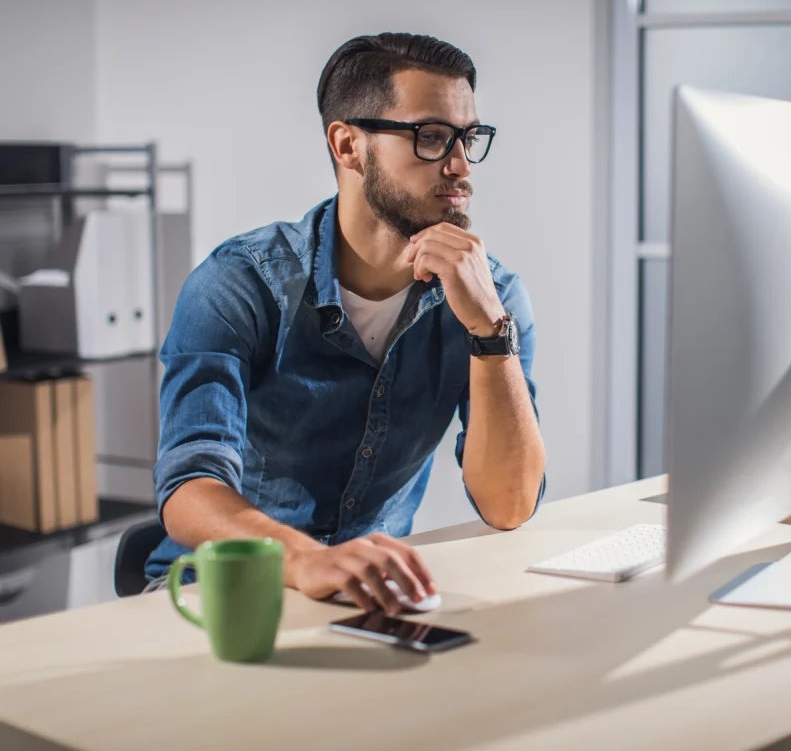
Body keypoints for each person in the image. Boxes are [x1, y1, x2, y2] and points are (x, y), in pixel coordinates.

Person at [144, 32, 546, 614]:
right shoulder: (239, 283)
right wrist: (307, 559)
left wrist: (490, 332)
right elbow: (188, 490)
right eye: (430, 138)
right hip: (216, 594)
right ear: (348, 145)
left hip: (369, 596)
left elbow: (509, 505)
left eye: (468, 138)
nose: (460, 166)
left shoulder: (494, 298)